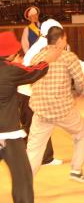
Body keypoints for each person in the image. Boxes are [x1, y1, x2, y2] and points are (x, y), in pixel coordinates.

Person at [0, 31, 62, 203]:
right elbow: (34, 72)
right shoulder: (10, 70)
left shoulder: (10, 68)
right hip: (7, 135)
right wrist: (48, 59)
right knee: (23, 177)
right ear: (11, 53)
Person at [27, 26, 84, 183]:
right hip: (63, 110)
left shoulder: (36, 57)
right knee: (83, 134)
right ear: (61, 40)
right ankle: (76, 170)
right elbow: (79, 82)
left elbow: (30, 80)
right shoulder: (68, 57)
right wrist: (82, 92)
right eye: (65, 39)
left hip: (40, 110)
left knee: (34, 149)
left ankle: (24, 185)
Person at [18, 19, 65, 166]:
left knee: (39, 126)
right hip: (27, 92)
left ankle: (45, 157)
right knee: (33, 127)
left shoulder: (45, 45)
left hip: (31, 92)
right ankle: (34, 157)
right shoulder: (44, 47)